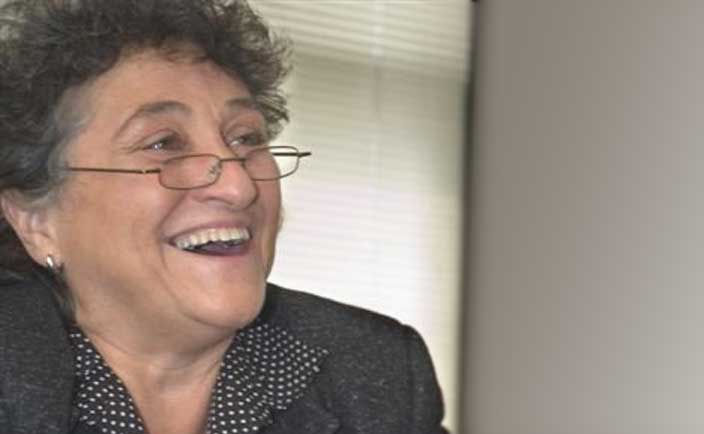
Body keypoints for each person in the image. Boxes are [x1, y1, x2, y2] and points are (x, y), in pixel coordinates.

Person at [0, 1, 447, 433]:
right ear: (34, 222)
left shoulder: (372, 373)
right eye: (163, 144)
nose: (238, 185)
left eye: (246, 138)